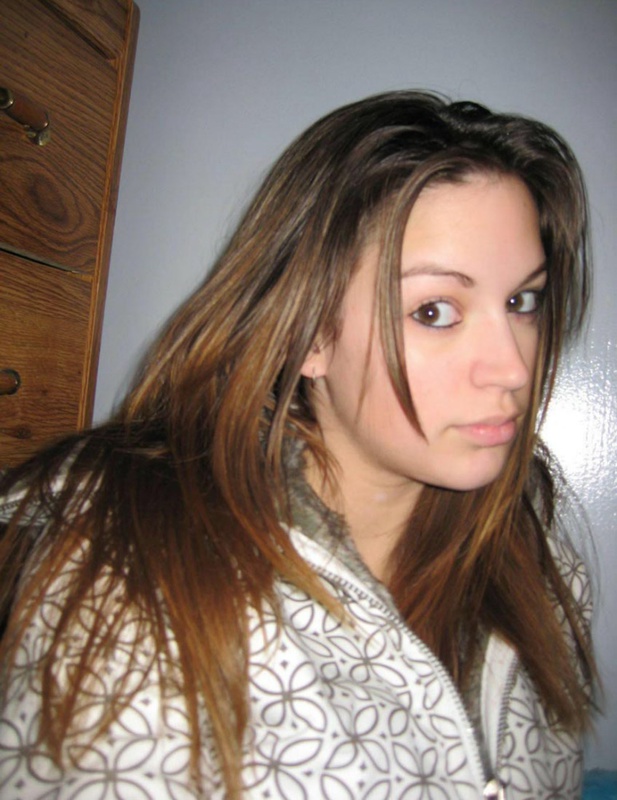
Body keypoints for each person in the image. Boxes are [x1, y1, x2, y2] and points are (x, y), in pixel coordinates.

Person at [0, 90, 597, 799]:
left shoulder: (534, 559)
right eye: (435, 311)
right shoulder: (133, 566)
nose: (513, 368)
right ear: (309, 333)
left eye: (522, 301)